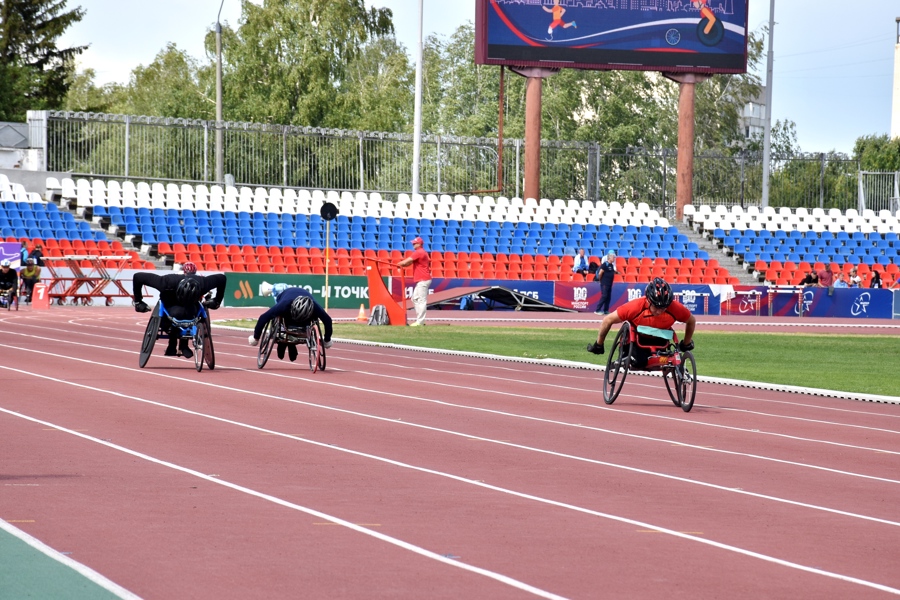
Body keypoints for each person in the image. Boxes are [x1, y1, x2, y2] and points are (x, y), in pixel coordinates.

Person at [586, 278, 696, 370]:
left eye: (663, 308)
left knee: (666, 361)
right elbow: (607, 320)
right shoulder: (635, 307)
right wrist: (599, 344)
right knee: (639, 363)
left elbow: (691, 321)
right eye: (656, 307)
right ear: (648, 300)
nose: (659, 311)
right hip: (636, 341)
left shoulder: (675, 308)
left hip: (660, 341)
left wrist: (686, 343)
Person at [132, 262, 227, 358]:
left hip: (190, 311)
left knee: (186, 312)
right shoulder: (167, 282)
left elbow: (222, 279)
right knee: (177, 314)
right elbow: (137, 277)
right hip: (171, 310)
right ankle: (177, 344)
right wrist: (138, 301)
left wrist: (217, 301)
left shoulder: (201, 283)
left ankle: (180, 345)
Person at [247, 286, 333, 361]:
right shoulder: (284, 305)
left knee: (304, 326)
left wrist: (327, 339)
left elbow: (328, 320)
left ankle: (291, 344)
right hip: (286, 300)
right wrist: (256, 337)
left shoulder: (315, 307)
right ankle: (282, 343)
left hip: (307, 314)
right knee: (283, 319)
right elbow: (263, 317)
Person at [396, 236, 432, 327]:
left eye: (414, 243)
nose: (413, 244)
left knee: (421, 300)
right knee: (415, 299)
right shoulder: (420, 252)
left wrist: (399, 264)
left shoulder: (419, 252)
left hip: (423, 279)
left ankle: (420, 322)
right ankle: (419, 320)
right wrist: (402, 265)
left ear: (419, 244)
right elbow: (409, 263)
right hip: (422, 279)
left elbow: (406, 261)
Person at [593, 251, 618, 315]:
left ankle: (606, 310)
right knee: (604, 296)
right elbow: (600, 273)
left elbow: (612, 272)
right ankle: (597, 310)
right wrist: (600, 280)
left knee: (608, 297)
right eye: (613, 257)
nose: (614, 258)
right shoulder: (605, 264)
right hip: (604, 283)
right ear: (609, 258)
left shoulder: (611, 265)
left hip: (610, 284)